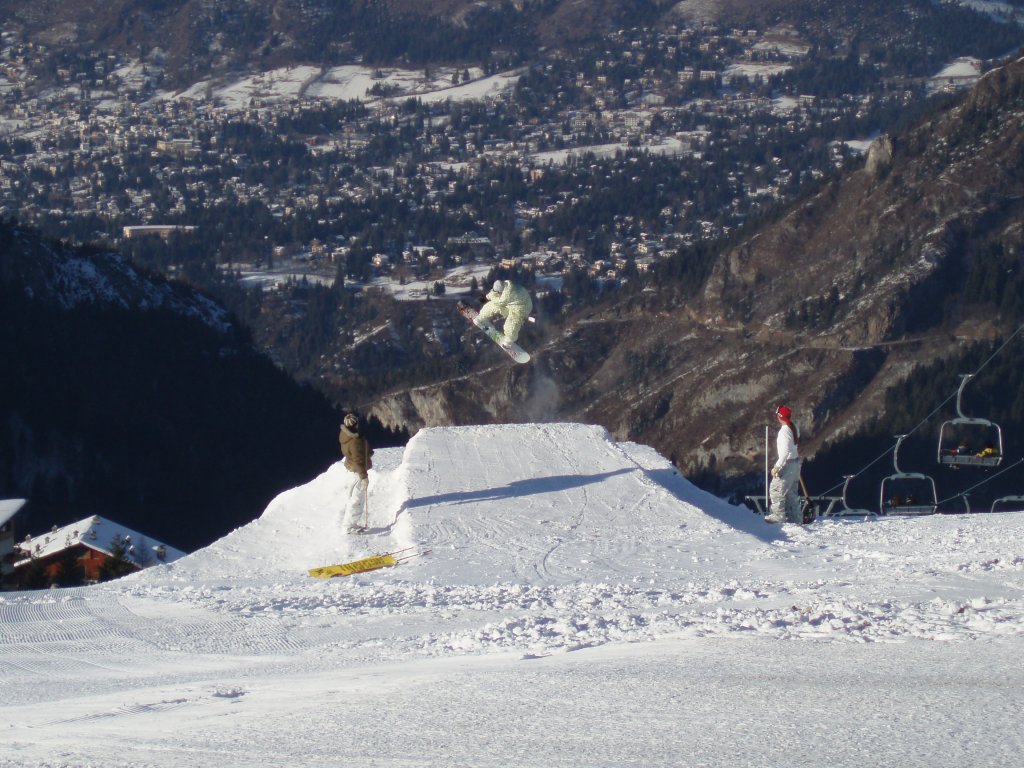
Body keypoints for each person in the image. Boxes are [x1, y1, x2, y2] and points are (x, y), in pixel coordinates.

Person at [765, 404, 802, 524]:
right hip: (795, 463)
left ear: (780, 416)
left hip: (787, 464)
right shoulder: (794, 427)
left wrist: (777, 466)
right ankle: (796, 518)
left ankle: (778, 515)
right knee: (791, 492)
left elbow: (785, 452)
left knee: (776, 489)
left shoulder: (784, 431)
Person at [478, 279, 533, 344]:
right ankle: (482, 316)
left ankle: (509, 339)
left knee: (510, 324)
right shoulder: (505, 285)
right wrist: (486, 297)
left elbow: (499, 301)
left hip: (521, 309)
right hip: (511, 305)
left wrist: (487, 298)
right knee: (493, 305)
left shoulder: (507, 294)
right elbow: (495, 293)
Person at [339, 412, 373, 497]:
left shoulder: (345, 435)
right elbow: (358, 460)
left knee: (352, 495)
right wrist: (364, 477)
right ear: (355, 425)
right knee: (357, 498)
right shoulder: (355, 442)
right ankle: (354, 510)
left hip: (351, 466)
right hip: (357, 470)